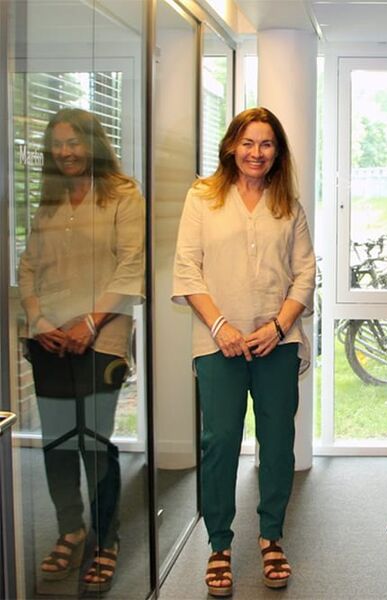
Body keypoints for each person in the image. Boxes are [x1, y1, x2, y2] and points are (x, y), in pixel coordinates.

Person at [172, 107, 316, 596]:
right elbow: (187, 269)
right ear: (232, 145)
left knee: (277, 445)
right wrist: (220, 327)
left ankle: (271, 536)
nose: (257, 153)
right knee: (220, 444)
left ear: (278, 152)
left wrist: (279, 326)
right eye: (249, 143)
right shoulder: (203, 197)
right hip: (219, 345)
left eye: (267, 144)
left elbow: (305, 273)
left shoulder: (288, 205)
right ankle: (219, 544)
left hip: (277, 341)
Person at [19, 108, 145, 593]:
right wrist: (42, 321)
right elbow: (29, 267)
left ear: (93, 143)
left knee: (93, 441)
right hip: (48, 338)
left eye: (75, 142)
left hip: (103, 337)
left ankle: (105, 538)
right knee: (56, 442)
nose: (66, 152)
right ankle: (70, 529)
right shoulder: (48, 201)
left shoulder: (122, 195)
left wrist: (90, 320)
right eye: (58, 144)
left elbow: (131, 265)